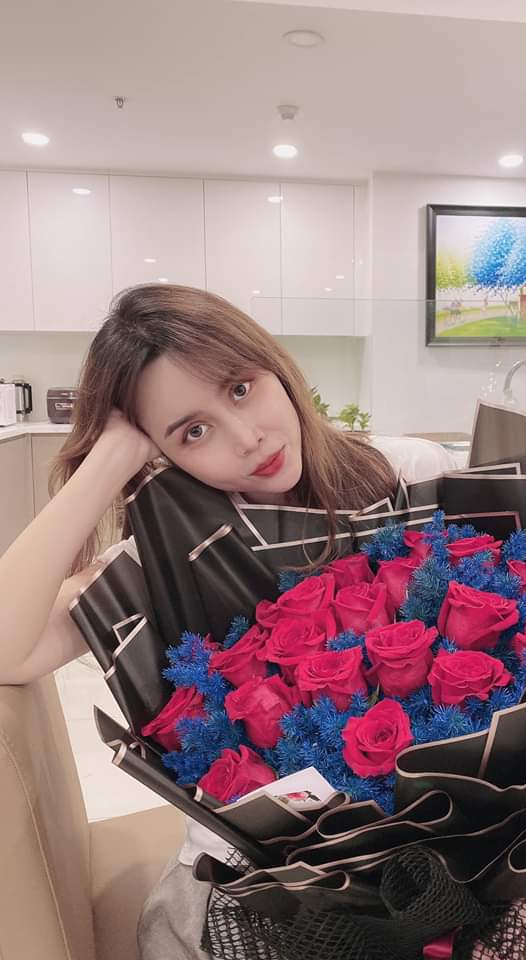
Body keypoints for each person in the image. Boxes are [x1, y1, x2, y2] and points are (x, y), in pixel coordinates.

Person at [0, 284, 457, 958]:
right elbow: (7, 649)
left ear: (273, 363)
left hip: (449, 857)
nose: (247, 440)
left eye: (241, 388)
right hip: (253, 890)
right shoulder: (163, 561)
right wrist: (109, 458)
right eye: (193, 430)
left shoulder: (408, 475)